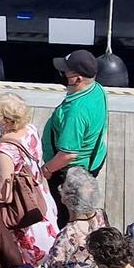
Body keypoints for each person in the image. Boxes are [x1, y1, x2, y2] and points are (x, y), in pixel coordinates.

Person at [0, 91, 59, 264]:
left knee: (24, 261)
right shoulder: (30, 130)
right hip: (39, 196)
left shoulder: (5, 151)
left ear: (8, 121)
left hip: (21, 211)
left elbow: (4, 194)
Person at [43, 50, 109, 214]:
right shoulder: (97, 89)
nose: (63, 73)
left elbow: (68, 154)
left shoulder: (76, 112)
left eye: (66, 71)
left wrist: (47, 169)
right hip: (94, 159)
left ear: (78, 79)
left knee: (64, 211)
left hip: (68, 172)